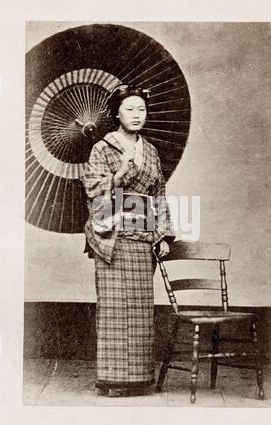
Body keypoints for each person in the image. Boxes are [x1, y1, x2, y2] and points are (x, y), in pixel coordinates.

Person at [81, 84, 175, 397]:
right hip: (112, 236)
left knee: (139, 309)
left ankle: (138, 379)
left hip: (141, 237)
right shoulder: (103, 147)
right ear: (116, 113)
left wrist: (161, 233)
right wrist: (118, 176)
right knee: (112, 309)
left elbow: (158, 193)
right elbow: (93, 189)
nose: (136, 115)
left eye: (141, 110)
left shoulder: (150, 151)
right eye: (130, 109)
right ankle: (112, 380)